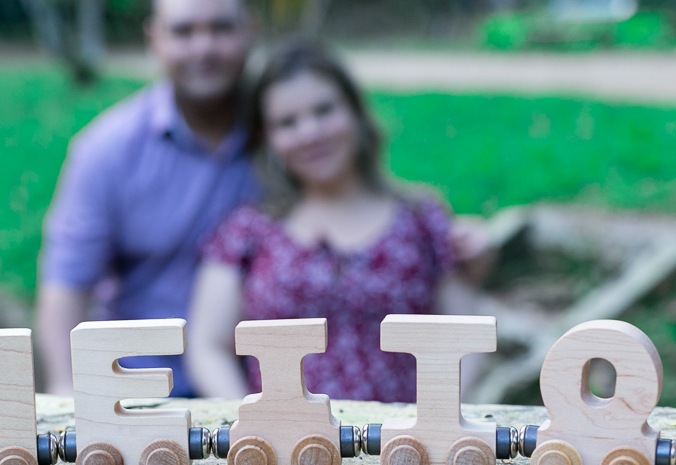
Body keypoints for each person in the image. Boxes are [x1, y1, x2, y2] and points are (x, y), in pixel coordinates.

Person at [186, 41, 482, 403]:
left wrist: (434, 422)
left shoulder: (421, 217)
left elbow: (466, 337)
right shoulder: (248, 230)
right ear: (267, 138)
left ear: (355, 112)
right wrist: (244, 423)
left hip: (401, 447)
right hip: (283, 448)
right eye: (287, 122)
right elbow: (209, 346)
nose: (310, 133)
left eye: (324, 111)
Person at [36, 0, 258, 396]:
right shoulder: (107, 150)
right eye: (183, 31)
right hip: (143, 391)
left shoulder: (288, 136)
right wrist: (66, 395)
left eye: (220, 28)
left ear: (249, 30)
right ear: (154, 39)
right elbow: (65, 287)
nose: (204, 48)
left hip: (265, 390)